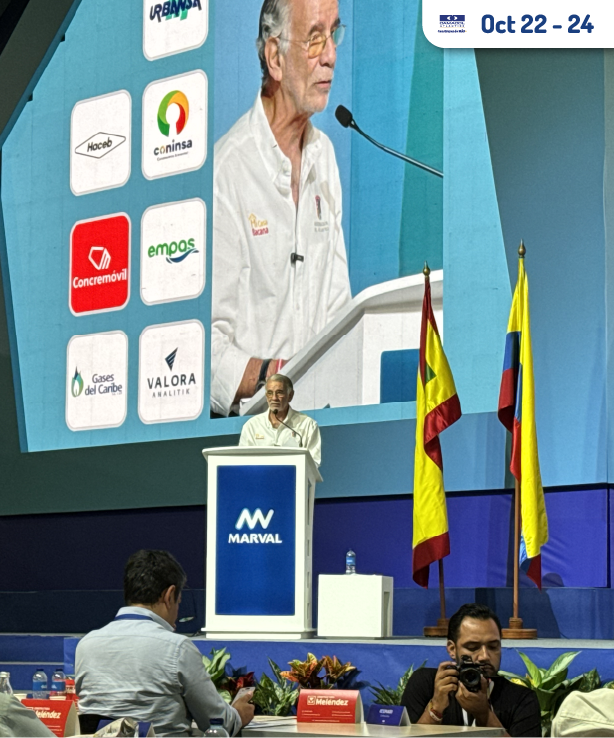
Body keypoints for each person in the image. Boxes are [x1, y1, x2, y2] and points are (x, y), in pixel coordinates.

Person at [211, 0, 352, 417]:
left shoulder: (324, 157)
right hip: (247, 432)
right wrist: (277, 376)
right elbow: (203, 352)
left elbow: (339, 315)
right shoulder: (227, 170)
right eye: (315, 39)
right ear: (275, 57)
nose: (331, 55)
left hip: (321, 425)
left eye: (334, 34)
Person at [75, 550, 254, 736]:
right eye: (179, 602)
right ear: (169, 595)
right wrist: (238, 714)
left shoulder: (86, 645)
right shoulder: (177, 648)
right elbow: (216, 723)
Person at [401, 603, 541, 737]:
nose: (484, 656)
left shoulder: (521, 699)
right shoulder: (426, 684)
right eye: (473, 647)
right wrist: (436, 708)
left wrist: (484, 715)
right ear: (452, 649)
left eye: (493, 647)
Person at [239, 373, 321, 465]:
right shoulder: (251, 426)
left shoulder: (307, 425)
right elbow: (243, 462)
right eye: (270, 393)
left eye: (279, 393)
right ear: (266, 396)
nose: (274, 398)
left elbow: (313, 463)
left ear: (290, 395)